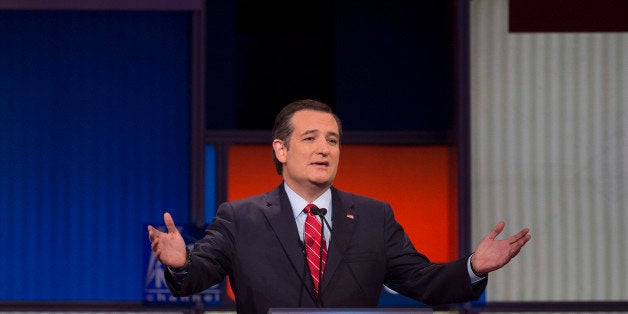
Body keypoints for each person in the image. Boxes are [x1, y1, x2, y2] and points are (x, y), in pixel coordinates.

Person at [148, 99, 531, 313]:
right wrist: (182, 263)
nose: (324, 149)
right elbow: (197, 277)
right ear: (281, 149)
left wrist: (473, 267)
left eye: (332, 140)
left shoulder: (373, 217)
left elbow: (422, 281)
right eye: (311, 138)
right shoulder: (241, 217)